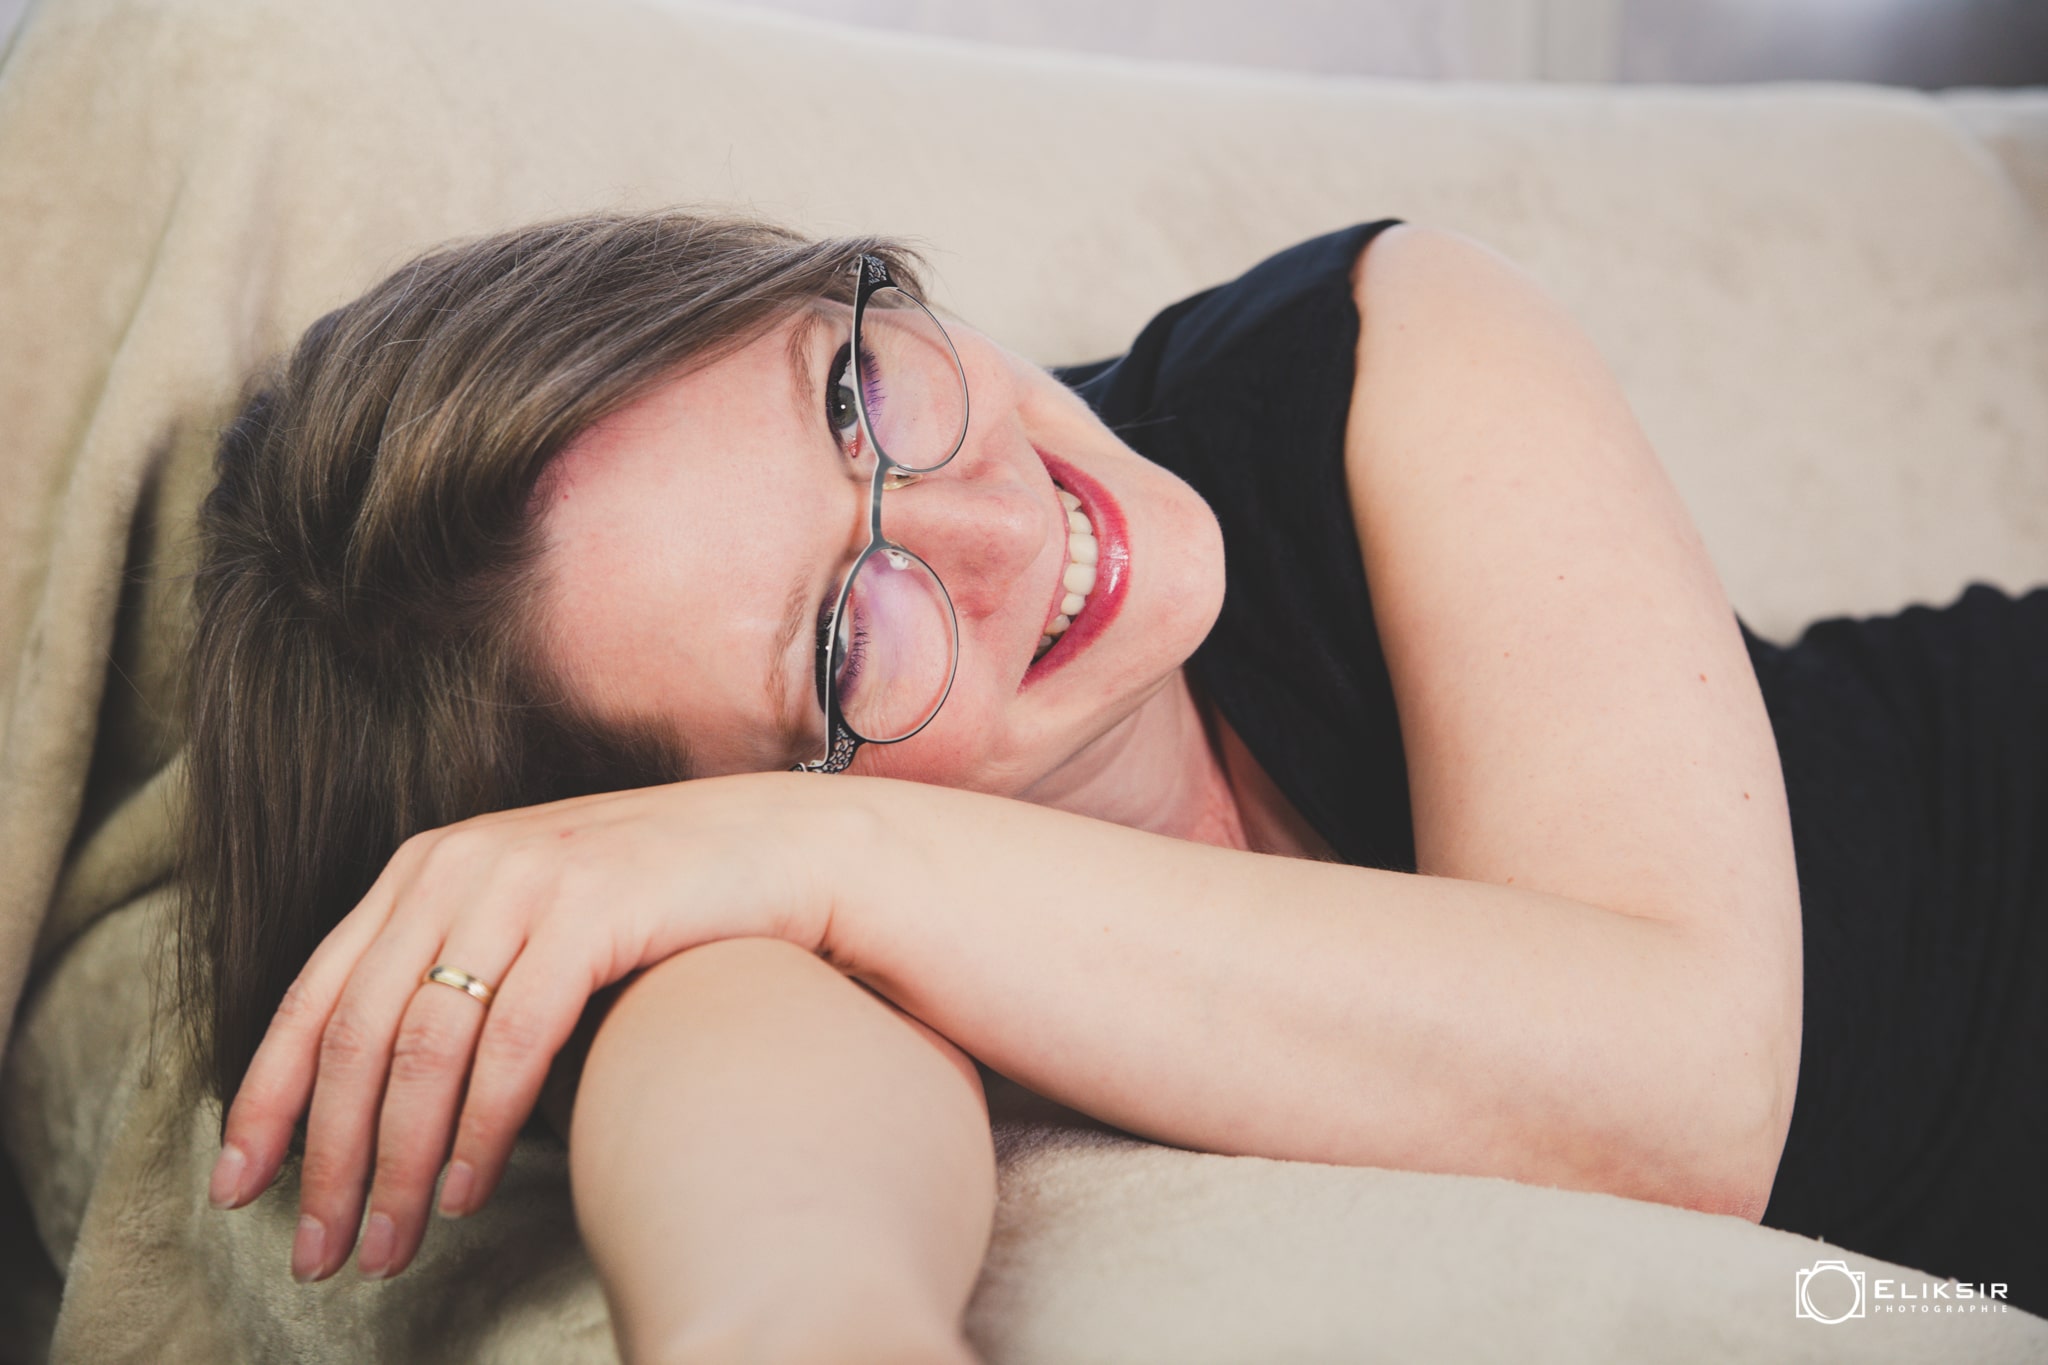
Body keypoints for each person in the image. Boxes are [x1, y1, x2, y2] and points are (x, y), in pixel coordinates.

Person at [177, 210, 2045, 1360]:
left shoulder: (1377, 349)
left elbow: (1687, 1088)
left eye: (852, 393)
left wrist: (815, 832)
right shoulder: (785, 915)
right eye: (841, 638)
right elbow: (774, 1231)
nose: (1001, 518)